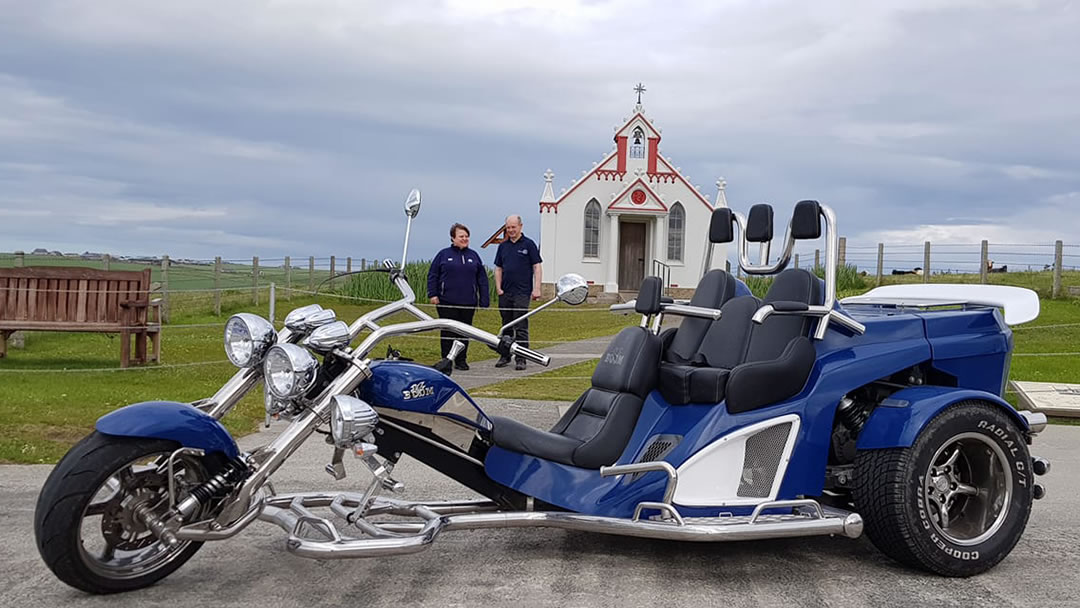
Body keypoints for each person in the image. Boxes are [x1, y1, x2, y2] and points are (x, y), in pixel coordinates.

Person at [427, 223, 490, 370]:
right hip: (446, 301)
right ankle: (446, 361)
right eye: (461, 236)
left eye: (467, 236)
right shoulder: (443, 255)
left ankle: (461, 360)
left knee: (464, 332)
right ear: (453, 238)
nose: (465, 239)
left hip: (468, 302)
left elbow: (482, 279)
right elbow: (433, 275)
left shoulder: (473, 256)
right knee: (448, 332)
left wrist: (484, 299)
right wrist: (433, 294)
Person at [494, 214, 542, 370]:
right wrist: (498, 287)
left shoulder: (529, 245)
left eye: (513, 227)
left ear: (520, 226)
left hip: (522, 292)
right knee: (506, 325)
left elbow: (537, 266)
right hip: (505, 292)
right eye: (508, 227)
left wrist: (537, 288)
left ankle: (521, 358)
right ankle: (505, 355)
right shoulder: (503, 246)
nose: (511, 230)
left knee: (521, 326)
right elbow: (498, 268)